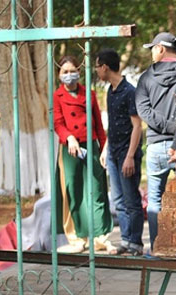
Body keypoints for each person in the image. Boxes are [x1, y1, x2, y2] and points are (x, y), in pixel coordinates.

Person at [135, 32, 176, 249]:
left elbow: (144, 111)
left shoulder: (145, 78)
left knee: (155, 200)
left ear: (160, 49)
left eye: (152, 49)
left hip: (156, 146)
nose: (152, 53)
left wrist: (168, 129)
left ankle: (157, 249)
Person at [53, 55, 113, 253]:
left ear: (79, 72)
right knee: (73, 192)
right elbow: (58, 123)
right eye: (65, 72)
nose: (69, 75)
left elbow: (99, 125)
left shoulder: (90, 94)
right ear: (59, 74)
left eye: (73, 71)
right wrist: (69, 137)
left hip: (91, 146)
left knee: (96, 190)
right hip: (70, 149)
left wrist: (104, 148)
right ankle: (77, 238)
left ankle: (100, 237)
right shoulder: (57, 96)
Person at [95, 48, 144, 256]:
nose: (97, 71)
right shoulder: (110, 91)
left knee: (131, 200)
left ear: (105, 67)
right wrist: (106, 148)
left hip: (127, 153)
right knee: (118, 200)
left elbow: (137, 126)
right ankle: (125, 240)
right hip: (113, 153)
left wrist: (130, 156)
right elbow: (113, 125)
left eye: (97, 67)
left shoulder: (129, 91)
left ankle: (136, 243)